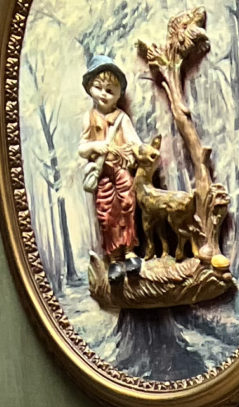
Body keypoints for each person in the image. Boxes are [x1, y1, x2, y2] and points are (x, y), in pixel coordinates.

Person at [79, 55, 143, 287]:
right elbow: (82, 148)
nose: (104, 93)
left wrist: (137, 152)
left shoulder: (121, 118)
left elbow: (135, 142)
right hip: (103, 173)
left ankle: (129, 252)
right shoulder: (90, 118)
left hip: (121, 169)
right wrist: (96, 146)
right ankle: (114, 257)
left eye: (110, 89)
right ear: (89, 88)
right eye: (99, 87)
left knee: (127, 206)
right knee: (107, 214)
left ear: (119, 94)